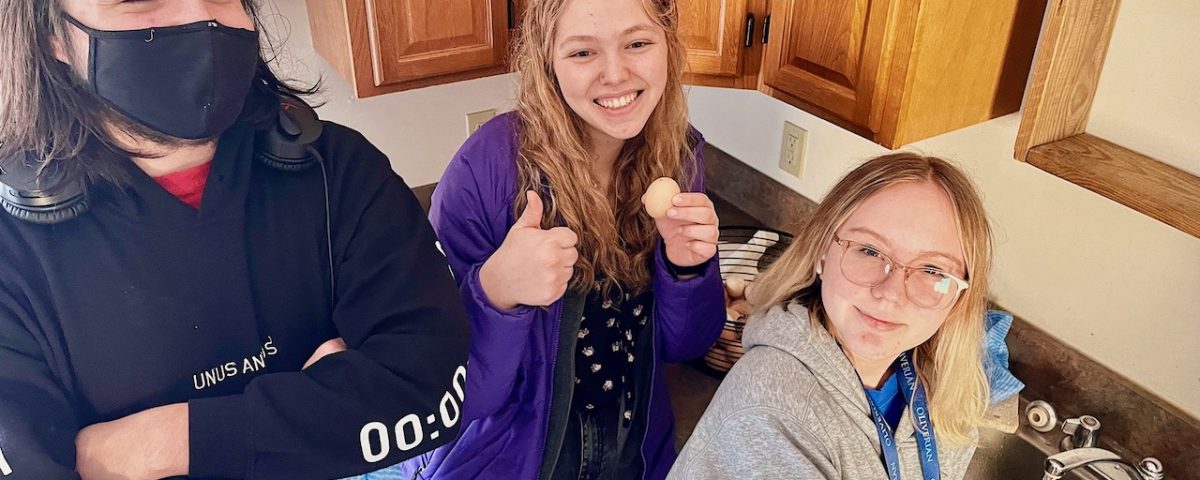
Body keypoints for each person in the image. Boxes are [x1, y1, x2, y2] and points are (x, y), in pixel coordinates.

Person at [0, 1, 470, 479]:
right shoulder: (11, 244)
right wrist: (313, 418)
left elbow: (427, 385)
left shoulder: (341, 170)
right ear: (50, 33)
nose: (199, 17)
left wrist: (155, 444)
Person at [403, 0, 726, 478]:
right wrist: (496, 292)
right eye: (582, 53)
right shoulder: (485, 173)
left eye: (637, 43)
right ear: (547, 60)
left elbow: (684, 346)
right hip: (510, 462)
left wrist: (687, 269)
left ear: (669, 47)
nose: (615, 74)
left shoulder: (678, 158)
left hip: (635, 454)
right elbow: (445, 394)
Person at [670, 153, 993, 480]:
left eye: (931, 269)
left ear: (960, 294)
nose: (891, 293)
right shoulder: (771, 411)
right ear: (822, 250)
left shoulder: (943, 384)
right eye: (870, 251)